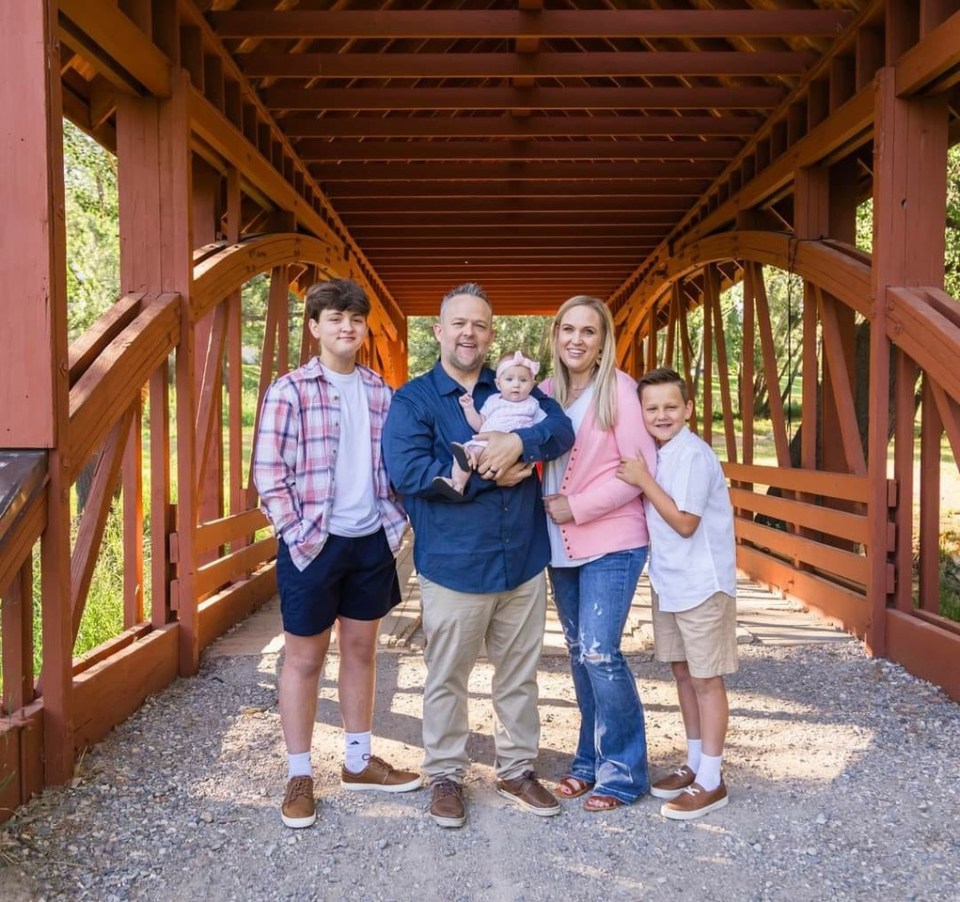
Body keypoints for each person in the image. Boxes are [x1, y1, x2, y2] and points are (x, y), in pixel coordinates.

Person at [382, 282, 575, 829]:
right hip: (455, 564)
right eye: (459, 323)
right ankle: (444, 773)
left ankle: (516, 770)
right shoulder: (415, 399)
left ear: (491, 334)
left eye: (480, 324)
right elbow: (411, 473)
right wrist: (495, 475)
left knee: (519, 675)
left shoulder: (516, 388)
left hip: (521, 561)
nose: (469, 333)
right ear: (439, 331)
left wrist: (520, 445)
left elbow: (559, 428)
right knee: (447, 676)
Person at [253, 278, 421, 830]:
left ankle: (357, 760)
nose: (346, 327)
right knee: (303, 658)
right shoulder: (290, 390)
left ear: (364, 326)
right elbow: (269, 472)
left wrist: (396, 524)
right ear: (314, 328)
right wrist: (296, 531)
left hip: (369, 539)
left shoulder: (380, 392)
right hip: (312, 542)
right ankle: (300, 774)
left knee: (362, 651)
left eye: (354, 318)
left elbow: (396, 468)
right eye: (334, 319)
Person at [538, 295, 658, 812]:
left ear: (604, 340)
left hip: (612, 538)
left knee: (600, 652)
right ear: (556, 335)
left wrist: (577, 506)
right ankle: (587, 762)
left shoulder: (621, 391)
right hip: (559, 545)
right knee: (579, 656)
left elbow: (639, 468)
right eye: (568, 329)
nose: (576, 340)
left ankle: (625, 772)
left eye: (589, 331)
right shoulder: (543, 393)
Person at [616, 366, 738, 821]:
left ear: (688, 408)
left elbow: (686, 522)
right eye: (652, 408)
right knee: (684, 675)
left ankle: (713, 779)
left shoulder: (692, 455)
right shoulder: (663, 453)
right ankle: (693, 763)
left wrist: (643, 479)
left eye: (671, 406)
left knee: (707, 681)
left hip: (703, 584)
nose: (662, 415)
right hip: (670, 583)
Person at [433, 349, 546, 499]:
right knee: (466, 451)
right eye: (509, 379)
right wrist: (468, 408)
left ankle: (464, 468)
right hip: (485, 443)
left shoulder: (533, 404)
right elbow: (480, 424)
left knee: (470, 453)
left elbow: (542, 431)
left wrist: (528, 446)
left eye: (523, 380)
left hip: (512, 451)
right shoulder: (493, 401)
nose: (516, 385)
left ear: (532, 384)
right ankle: (457, 484)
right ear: (498, 384)